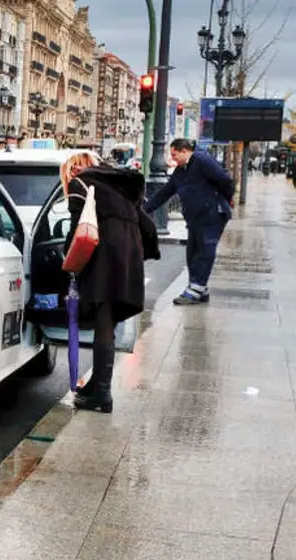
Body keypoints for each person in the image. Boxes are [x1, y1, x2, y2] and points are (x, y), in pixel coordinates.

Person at [62, 151, 160, 413]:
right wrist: (144, 254)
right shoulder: (119, 183)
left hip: (104, 257)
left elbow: (76, 229)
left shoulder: (79, 183)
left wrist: (67, 260)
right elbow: (147, 225)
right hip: (128, 256)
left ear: (73, 170)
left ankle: (103, 396)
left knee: (104, 321)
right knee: (109, 321)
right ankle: (97, 384)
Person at [142, 138, 234, 305]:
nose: (172, 158)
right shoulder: (181, 171)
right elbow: (165, 193)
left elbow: (225, 180)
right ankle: (200, 287)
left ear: (184, 151)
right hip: (196, 216)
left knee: (205, 249)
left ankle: (196, 287)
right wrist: (143, 211)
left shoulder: (202, 161)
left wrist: (226, 200)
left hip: (212, 212)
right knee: (193, 250)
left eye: (174, 154)